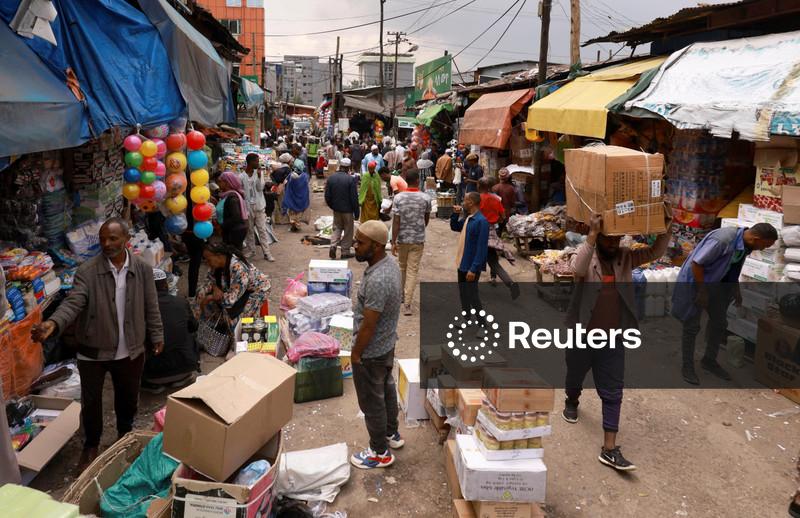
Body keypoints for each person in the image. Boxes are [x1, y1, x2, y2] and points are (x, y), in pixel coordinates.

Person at [32, 218, 163, 470]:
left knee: (128, 398)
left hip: (131, 348)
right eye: (103, 239)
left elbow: (151, 305)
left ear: (125, 240)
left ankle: (125, 438)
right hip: (93, 350)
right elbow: (73, 302)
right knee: (91, 402)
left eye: (113, 238)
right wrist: (54, 324)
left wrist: (157, 335)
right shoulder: (87, 271)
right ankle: (91, 445)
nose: (107, 244)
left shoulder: (142, 269)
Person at [563, 207, 673, 472]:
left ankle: (609, 449)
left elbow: (655, 253)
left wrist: (665, 227)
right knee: (575, 373)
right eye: (608, 239)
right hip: (583, 333)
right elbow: (577, 269)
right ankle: (572, 399)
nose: (613, 244)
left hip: (613, 336)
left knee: (613, 391)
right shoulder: (586, 254)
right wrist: (592, 233)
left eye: (616, 239)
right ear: (600, 238)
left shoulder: (625, 257)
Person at [672, 222, 777, 385]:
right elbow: (697, 263)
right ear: (756, 238)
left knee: (720, 323)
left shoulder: (746, 243)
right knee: (692, 326)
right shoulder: (723, 240)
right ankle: (687, 366)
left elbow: (734, 265)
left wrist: (736, 289)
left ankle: (709, 360)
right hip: (697, 282)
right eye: (764, 245)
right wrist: (702, 291)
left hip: (718, 284)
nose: (763, 249)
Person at [349, 220, 404, 469]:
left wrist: (356, 354)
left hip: (372, 350)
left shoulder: (379, 278)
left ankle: (379, 452)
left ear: (377, 246)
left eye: (360, 242)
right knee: (386, 388)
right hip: (386, 343)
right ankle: (391, 433)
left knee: (372, 402)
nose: (355, 246)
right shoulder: (390, 265)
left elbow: (368, 325)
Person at [141, 269, 198, 393]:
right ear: (166, 285)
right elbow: (194, 327)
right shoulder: (181, 302)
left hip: (154, 375)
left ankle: (153, 384)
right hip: (185, 368)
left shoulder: (140, 308)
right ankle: (178, 378)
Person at [390, 170, 431, 316]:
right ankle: (407, 304)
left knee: (402, 267)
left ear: (406, 180)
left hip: (403, 238)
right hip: (418, 239)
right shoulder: (425, 198)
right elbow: (426, 220)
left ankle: (401, 296)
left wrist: (393, 241)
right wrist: (418, 228)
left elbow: (396, 221)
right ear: (418, 181)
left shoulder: (399, 198)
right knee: (412, 270)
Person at [197, 242, 271, 320]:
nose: (207, 263)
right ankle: (202, 321)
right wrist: (215, 288)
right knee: (201, 292)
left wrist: (211, 297)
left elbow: (230, 300)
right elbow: (210, 277)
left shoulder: (238, 269)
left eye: (208, 260)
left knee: (233, 318)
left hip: (257, 290)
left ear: (219, 255)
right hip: (237, 287)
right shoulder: (219, 262)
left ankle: (232, 327)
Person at [478, 178, 520, 299]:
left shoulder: (476, 199)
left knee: (473, 261)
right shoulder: (496, 200)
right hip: (492, 231)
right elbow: (502, 216)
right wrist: (496, 220)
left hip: (478, 231)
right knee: (494, 262)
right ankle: (510, 283)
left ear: (479, 186)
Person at [450, 192, 489, 316]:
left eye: (465, 200)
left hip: (471, 265)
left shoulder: (481, 221)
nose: (463, 203)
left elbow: (482, 248)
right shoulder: (469, 218)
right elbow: (455, 227)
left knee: (472, 295)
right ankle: (466, 317)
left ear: (471, 202)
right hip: (462, 262)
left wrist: (474, 268)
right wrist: (455, 214)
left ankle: (482, 325)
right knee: (463, 292)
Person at [240, 154, 275, 261]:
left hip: (259, 206)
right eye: (256, 161)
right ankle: (251, 251)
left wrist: (260, 177)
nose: (258, 163)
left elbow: (260, 188)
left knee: (262, 230)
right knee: (249, 230)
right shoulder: (241, 176)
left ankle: (267, 253)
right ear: (249, 162)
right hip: (247, 207)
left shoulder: (259, 173)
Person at [325, 157, 359, 259]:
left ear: (340, 166)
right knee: (348, 231)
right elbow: (354, 198)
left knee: (337, 228)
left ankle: (333, 246)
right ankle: (345, 251)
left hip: (336, 209)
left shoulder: (331, 178)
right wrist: (356, 212)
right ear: (348, 167)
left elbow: (327, 196)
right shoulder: (350, 180)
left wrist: (333, 206)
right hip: (348, 210)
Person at [216, 171, 249, 250]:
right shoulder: (227, 196)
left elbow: (236, 216)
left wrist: (222, 226)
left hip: (234, 232)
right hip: (234, 230)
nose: (218, 184)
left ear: (227, 183)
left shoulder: (232, 198)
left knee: (233, 257)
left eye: (220, 181)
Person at [282, 163, 311, 233]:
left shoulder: (291, 176)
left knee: (292, 213)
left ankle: (294, 225)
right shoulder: (305, 176)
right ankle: (297, 225)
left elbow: (285, 183)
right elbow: (306, 186)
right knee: (299, 213)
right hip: (302, 198)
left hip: (292, 197)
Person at [493, 168, 516, 235]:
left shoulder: (494, 187)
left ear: (499, 177)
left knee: (498, 231)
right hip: (506, 212)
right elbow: (513, 202)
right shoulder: (511, 188)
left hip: (496, 213)